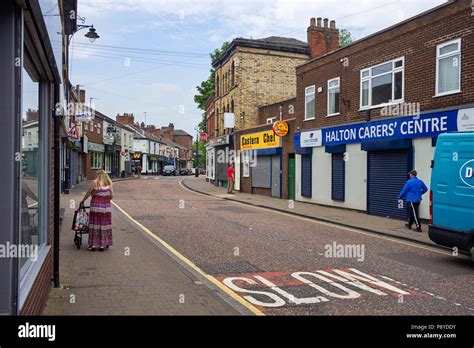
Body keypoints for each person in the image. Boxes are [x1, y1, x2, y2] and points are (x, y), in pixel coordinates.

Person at [80, 170, 114, 251]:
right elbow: (112, 195)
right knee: (104, 225)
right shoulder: (108, 183)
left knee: (94, 225)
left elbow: (88, 193)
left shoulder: (94, 182)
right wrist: (105, 199)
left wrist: (83, 200)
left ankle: (93, 245)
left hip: (95, 207)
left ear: (98, 175)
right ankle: (102, 245)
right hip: (106, 208)